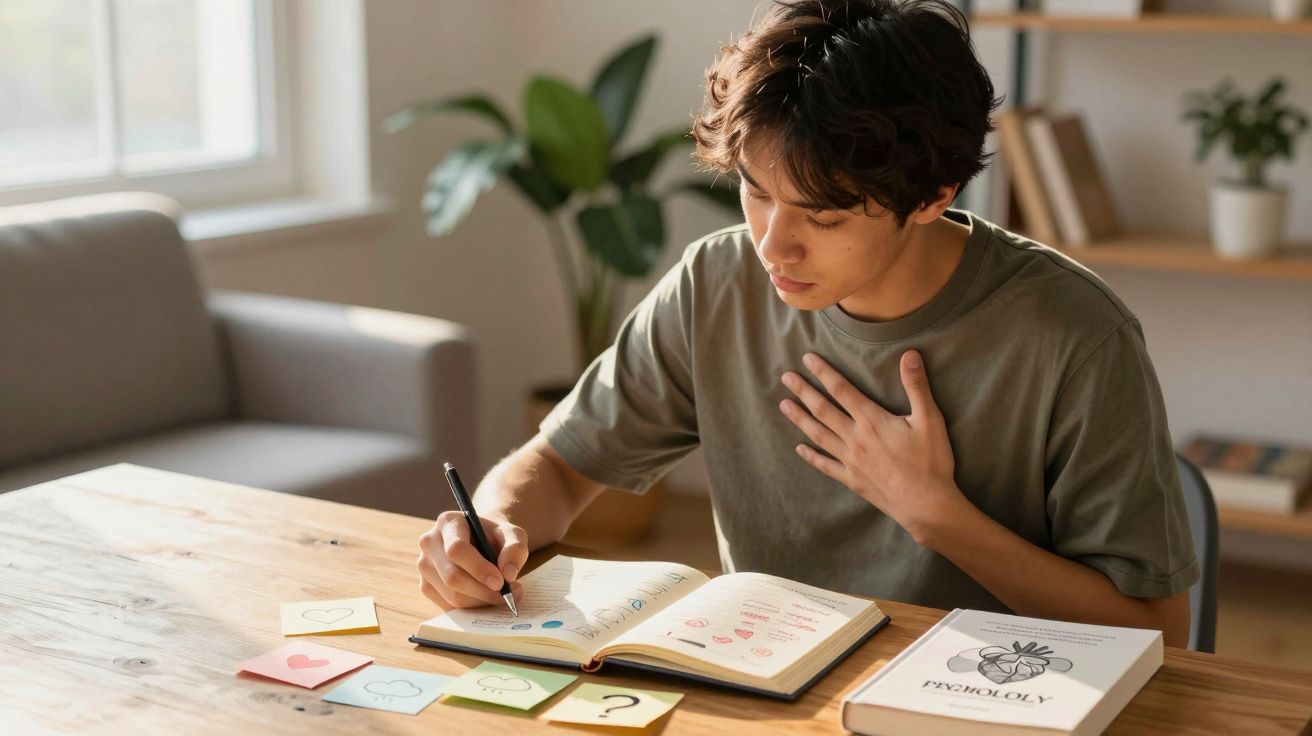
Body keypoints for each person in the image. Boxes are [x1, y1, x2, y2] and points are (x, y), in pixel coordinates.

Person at [416, 0, 1198, 646]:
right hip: (768, 687)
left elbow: (1154, 629)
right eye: (756, 192)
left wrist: (937, 515)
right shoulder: (716, 283)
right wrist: (490, 530)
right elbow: (557, 469)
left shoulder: (1073, 334)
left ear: (934, 196)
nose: (771, 245)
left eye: (823, 217)